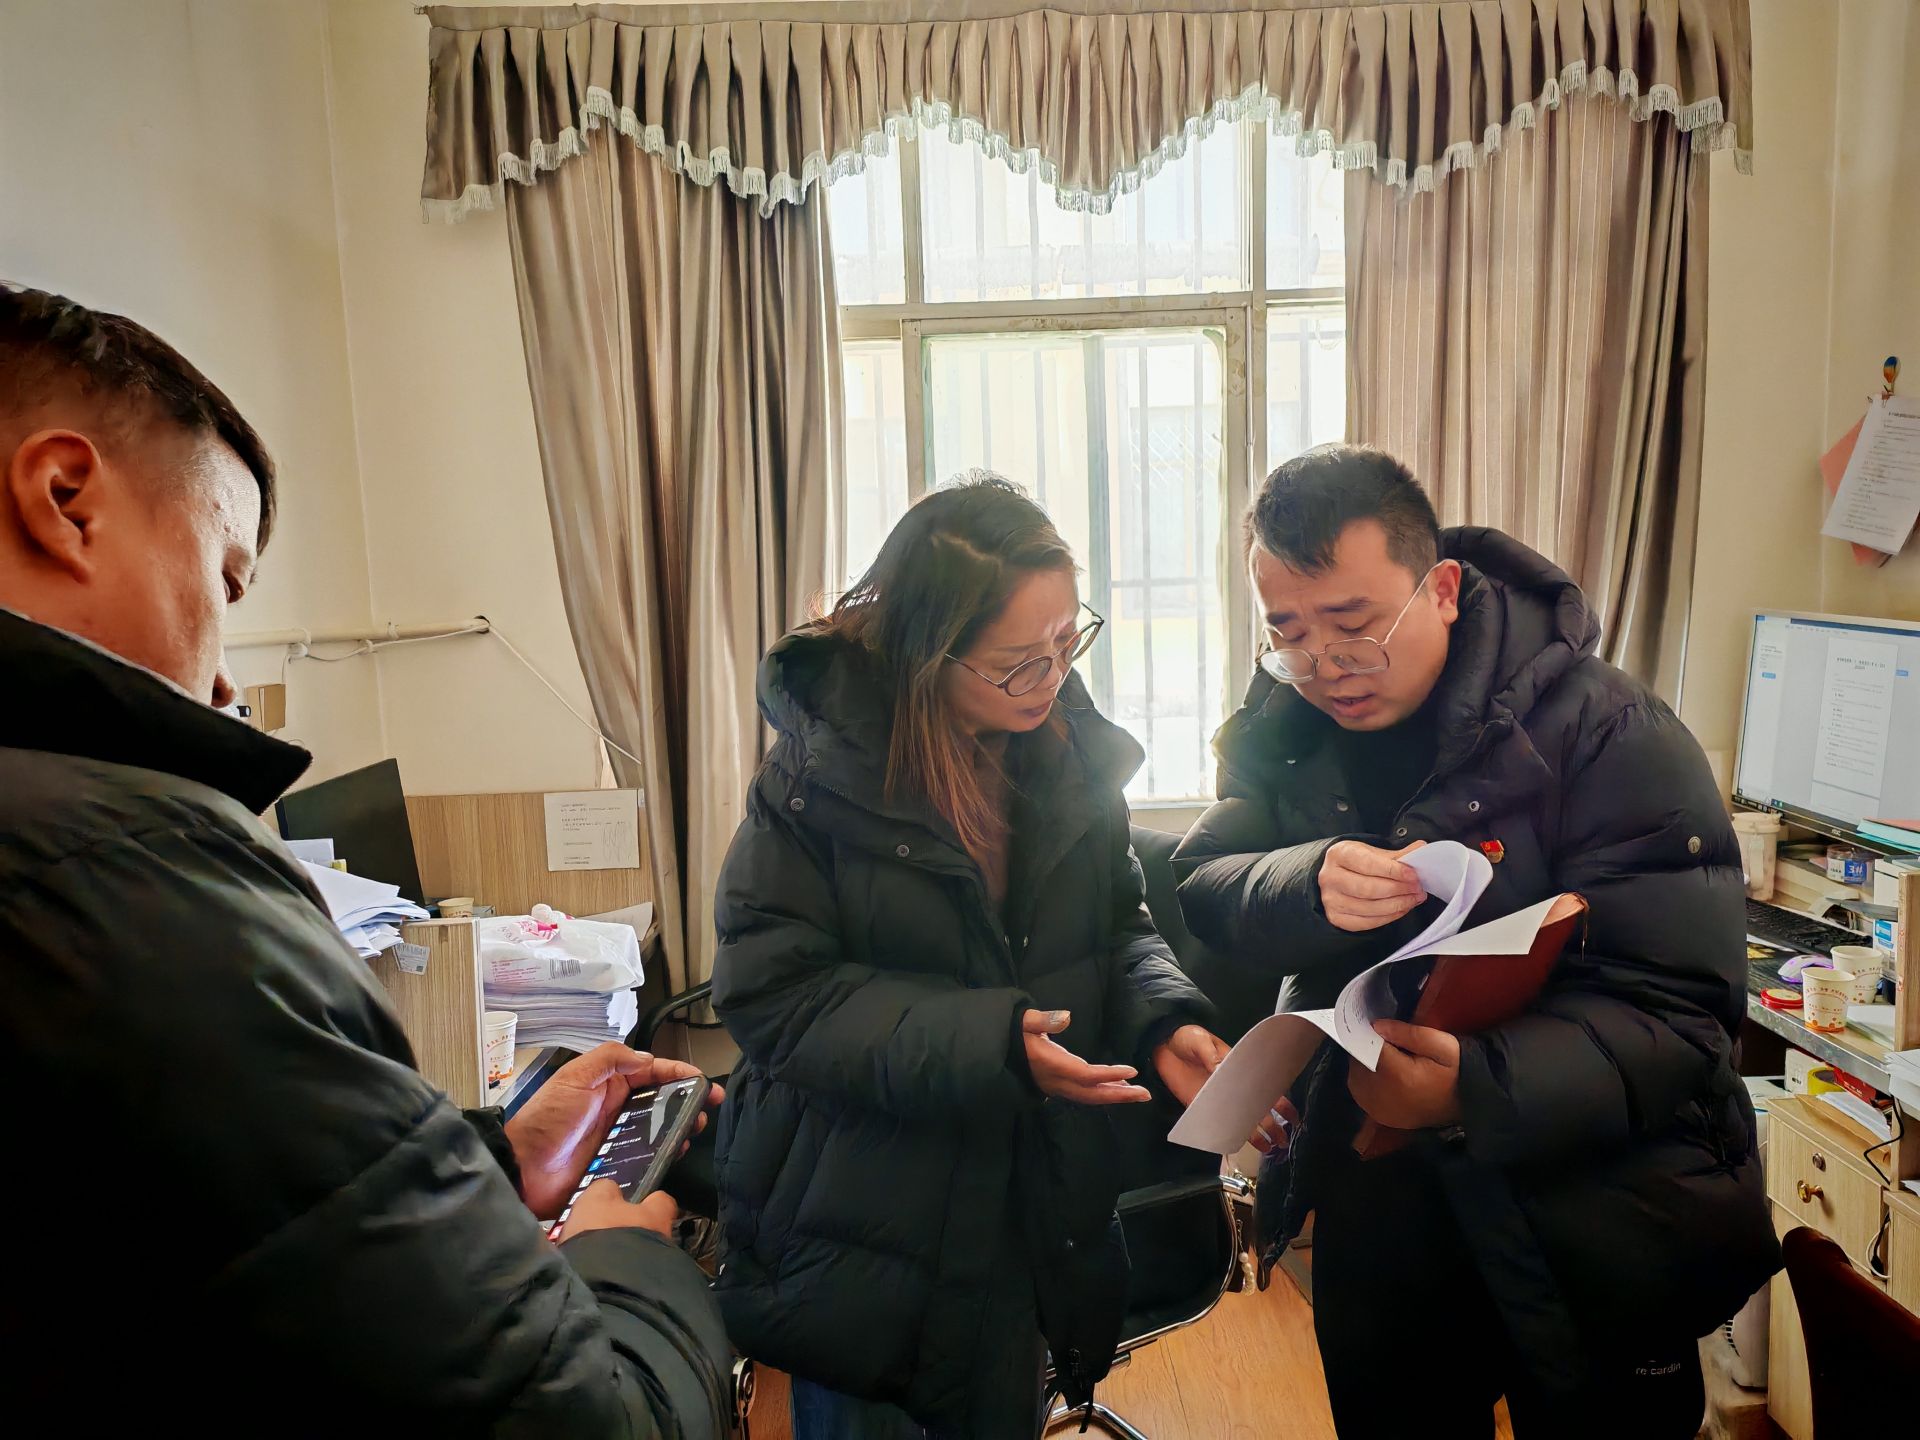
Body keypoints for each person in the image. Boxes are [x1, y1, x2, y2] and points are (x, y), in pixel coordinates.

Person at [0, 284, 731, 1434]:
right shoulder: (123, 875)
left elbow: (226, 1225)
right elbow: (574, 1419)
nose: (226, 679)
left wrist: (492, 1159)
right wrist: (626, 1259)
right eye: (224, 579)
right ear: (62, 497)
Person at [1174, 446, 1779, 1438]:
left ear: (1443, 590)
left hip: (1596, 1210)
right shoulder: (1289, 731)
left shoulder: (1609, 732)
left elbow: (1682, 1013)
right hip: (1383, 1202)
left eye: (1355, 624)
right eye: (1288, 632)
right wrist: (1305, 878)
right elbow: (1205, 879)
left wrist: (1476, 1085)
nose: (1325, 666)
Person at [710, 474, 1228, 1439]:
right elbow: (774, 993)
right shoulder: (821, 775)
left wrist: (1165, 1018)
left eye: (1066, 641)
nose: (1051, 677)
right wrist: (992, 1042)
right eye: (1015, 663)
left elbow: (1118, 922)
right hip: (864, 1222)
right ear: (924, 652)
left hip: (1025, 1205)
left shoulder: (1065, 750)